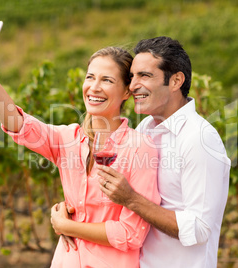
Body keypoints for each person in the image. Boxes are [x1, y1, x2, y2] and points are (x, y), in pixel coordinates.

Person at [0, 25, 160, 268]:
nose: (94, 87)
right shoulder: (68, 139)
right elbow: (16, 122)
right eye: (90, 77)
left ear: (127, 91)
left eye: (107, 80)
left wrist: (68, 227)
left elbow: (131, 233)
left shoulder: (140, 148)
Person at [96, 36, 231, 267]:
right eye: (132, 76)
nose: (132, 85)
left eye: (145, 75)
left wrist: (131, 199)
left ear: (176, 80)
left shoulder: (199, 139)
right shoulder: (145, 128)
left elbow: (198, 229)